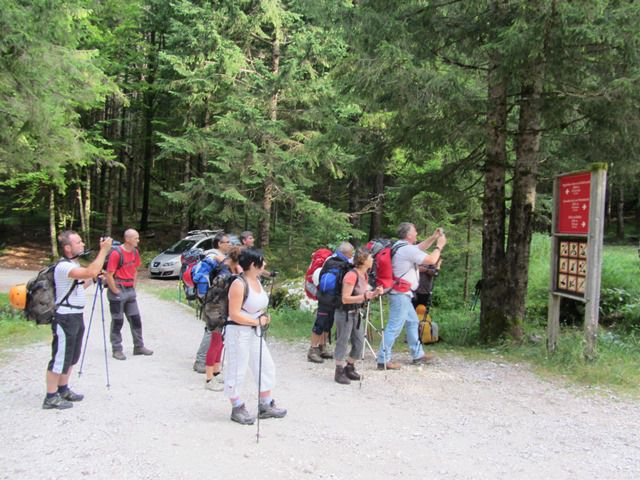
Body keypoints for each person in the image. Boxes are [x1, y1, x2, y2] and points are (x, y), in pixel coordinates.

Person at [43, 231, 113, 410]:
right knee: (60, 357)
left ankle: (63, 388)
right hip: (65, 318)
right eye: (79, 242)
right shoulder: (63, 266)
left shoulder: (72, 264)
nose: (82, 244)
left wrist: (93, 278)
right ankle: (51, 397)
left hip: (75, 316)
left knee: (72, 356)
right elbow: (90, 270)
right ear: (68, 247)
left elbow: (80, 285)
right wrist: (103, 251)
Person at [224, 248, 286, 425]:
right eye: (262, 261)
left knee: (265, 365)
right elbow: (234, 314)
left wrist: (262, 319)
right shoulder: (239, 284)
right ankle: (237, 407)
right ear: (253, 264)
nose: (265, 264)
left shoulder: (256, 280)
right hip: (238, 332)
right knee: (237, 369)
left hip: (254, 330)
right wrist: (257, 322)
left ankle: (265, 404)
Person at [376, 223, 446, 370]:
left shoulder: (400, 246)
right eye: (415, 231)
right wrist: (439, 246)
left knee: (413, 321)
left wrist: (433, 237)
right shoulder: (406, 249)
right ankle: (383, 359)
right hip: (400, 294)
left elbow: (421, 246)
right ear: (408, 235)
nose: (416, 233)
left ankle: (417, 354)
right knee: (394, 327)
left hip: (402, 293)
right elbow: (432, 260)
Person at [333, 248, 384, 384]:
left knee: (359, 342)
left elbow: (365, 295)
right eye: (370, 258)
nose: (373, 260)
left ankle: (349, 367)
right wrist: (365, 296)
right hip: (344, 312)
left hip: (356, 312)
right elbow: (345, 298)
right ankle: (338, 371)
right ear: (363, 260)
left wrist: (374, 293)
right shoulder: (351, 275)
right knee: (342, 342)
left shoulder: (364, 275)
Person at [105, 229, 153, 360]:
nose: (138, 240)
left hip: (129, 289)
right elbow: (109, 274)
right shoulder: (116, 253)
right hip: (118, 288)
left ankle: (138, 346)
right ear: (128, 239)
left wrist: (133, 286)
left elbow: (135, 270)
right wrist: (115, 290)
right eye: (135, 238)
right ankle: (117, 349)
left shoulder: (135, 252)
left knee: (136, 319)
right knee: (117, 321)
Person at [307, 242, 355, 363]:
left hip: (324, 296)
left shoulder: (329, 260)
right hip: (332, 297)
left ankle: (322, 348)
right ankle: (313, 350)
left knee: (326, 322)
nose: (352, 255)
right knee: (321, 323)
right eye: (351, 253)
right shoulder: (345, 264)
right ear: (347, 253)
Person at [204, 246, 242, 392]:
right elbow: (216, 294)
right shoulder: (224, 273)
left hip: (222, 309)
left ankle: (216, 371)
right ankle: (208, 379)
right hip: (215, 310)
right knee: (216, 342)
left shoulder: (229, 268)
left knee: (221, 342)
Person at [193, 233, 231, 373]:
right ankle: (201, 361)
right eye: (227, 242)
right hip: (213, 300)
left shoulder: (218, 257)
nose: (230, 244)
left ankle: (208, 361)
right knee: (211, 331)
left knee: (212, 331)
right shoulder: (213, 257)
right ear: (219, 244)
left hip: (214, 299)